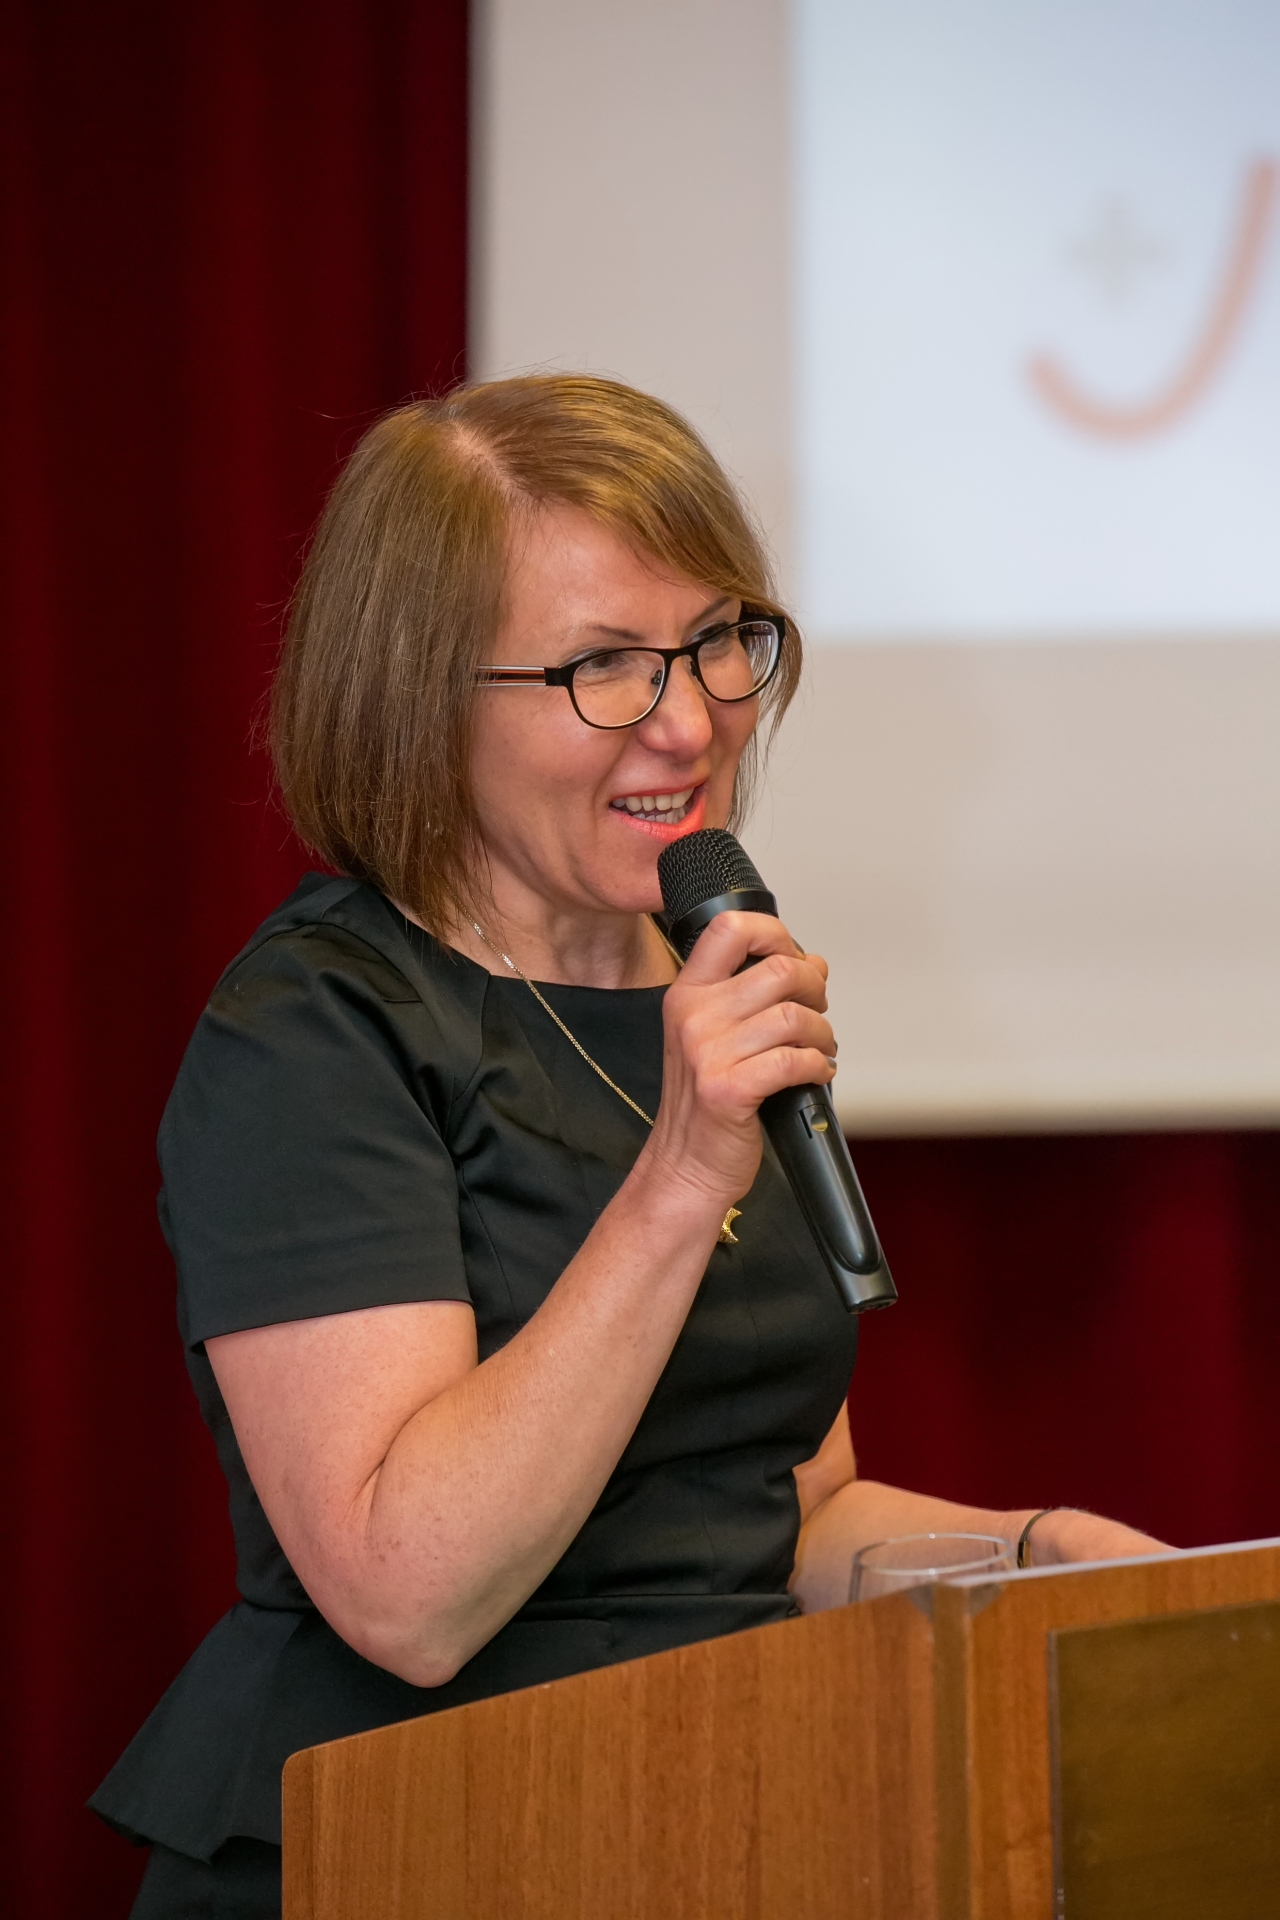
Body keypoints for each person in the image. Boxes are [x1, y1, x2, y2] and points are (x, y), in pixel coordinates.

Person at [92, 376, 1165, 1917]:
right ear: (418, 694)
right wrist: (677, 1179)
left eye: (720, 640)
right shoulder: (316, 1031)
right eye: (604, 665)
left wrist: (1031, 1560)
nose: (692, 719)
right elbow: (407, 1593)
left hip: (711, 1815)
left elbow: (783, 1514)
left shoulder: (701, 983)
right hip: (416, 1837)